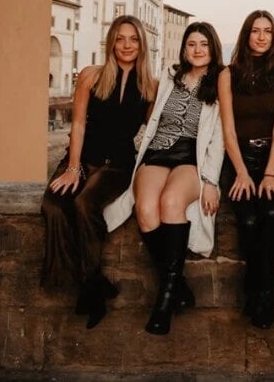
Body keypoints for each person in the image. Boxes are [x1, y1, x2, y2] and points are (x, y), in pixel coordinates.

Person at [103, 22, 225, 336]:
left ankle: (165, 301)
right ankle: (178, 283)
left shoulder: (221, 83)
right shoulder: (170, 79)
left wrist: (210, 181)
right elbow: (149, 116)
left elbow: (221, 138)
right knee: (145, 209)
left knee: (171, 203)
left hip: (191, 158)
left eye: (203, 44)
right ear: (184, 49)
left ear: (212, 49)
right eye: (191, 44)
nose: (197, 50)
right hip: (158, 151)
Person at [40, 15, 156, 329]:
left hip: (117, 165)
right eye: (120, 38)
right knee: (52, 205)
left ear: (142, 44)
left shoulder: (150, 86)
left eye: (133, 39)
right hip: (82, 157)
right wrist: (74, 168)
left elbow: (156, 130)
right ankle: (91, 282)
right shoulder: (91, 76)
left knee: (84, 203)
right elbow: (77, 125)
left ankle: (91, 295)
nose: (127, 45)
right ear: (111, 43)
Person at [218, 10, 274, 329]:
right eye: (255, 31)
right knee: (248, 218)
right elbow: (228, 129)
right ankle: (257, 287)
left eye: (267, 31)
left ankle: (263, 292)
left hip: (273, 161)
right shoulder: (227, 74)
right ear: (245, 35)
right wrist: (241, 172)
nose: (261, 36)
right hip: (236, 160)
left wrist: (269, 173)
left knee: (272, 213)